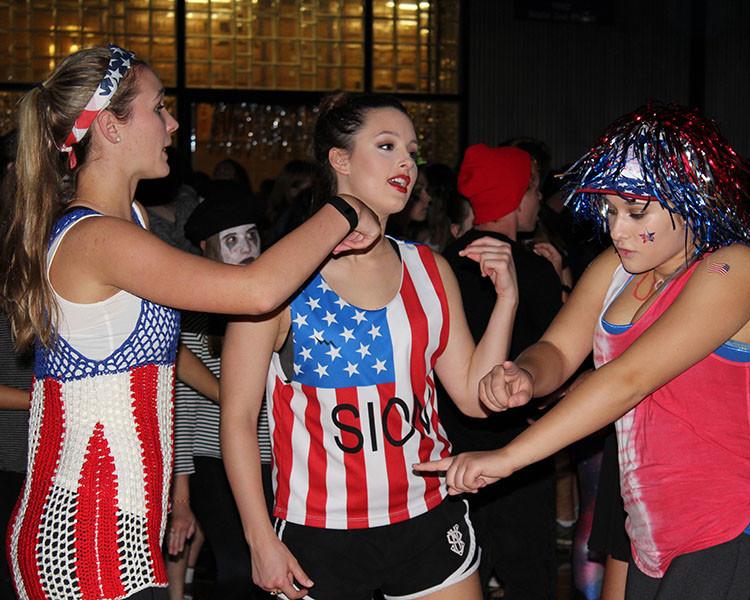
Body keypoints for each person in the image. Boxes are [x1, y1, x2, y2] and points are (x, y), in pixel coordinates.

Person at [0, 45, 379, 599]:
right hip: (83, 537)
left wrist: (233, 398)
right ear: (109, 126)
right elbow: (255, 291)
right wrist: (345, 207)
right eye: (159, 108)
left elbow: (154, 351)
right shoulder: (99, 239)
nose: (173, 124)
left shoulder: (126, 223)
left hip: (120, 529)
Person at [417, 103, 750, 599]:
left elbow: (629, 378)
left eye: (636, 211)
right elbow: (558, 348)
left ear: (690, 200)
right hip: (653, 533)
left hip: (738, 522)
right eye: (610, 210)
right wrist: (526, 377)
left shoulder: (733, 268)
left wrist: (510, 457)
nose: (617, 229)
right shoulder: (616, 268)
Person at [219, 92, 518, 600]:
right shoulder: (278, 278)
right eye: (386, 145)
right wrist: (259, 539)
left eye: (412, 150)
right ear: (340, 160)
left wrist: (506, 299)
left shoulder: (431, 268)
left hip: (427, 514)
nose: (407, 161)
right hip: (320, 532)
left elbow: (473, 395)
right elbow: (238, 418)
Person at [440, 143, 562, 599]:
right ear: (517, 197)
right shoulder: (533, 270)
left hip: (448, 455)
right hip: (519, 454)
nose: (537, 202)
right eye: (534, 192)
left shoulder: (437, 265)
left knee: (456, 578)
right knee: (530, 581)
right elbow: (559, 362)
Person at [171, 184, 277, 600]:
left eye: (252, 236)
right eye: (231, 240)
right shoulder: (196, 312)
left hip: (273, 454)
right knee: (236, 566)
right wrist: (181, 494)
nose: (246, 247)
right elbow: (178, 407)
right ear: (207, 248)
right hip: (212, 456)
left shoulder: (275, 301)